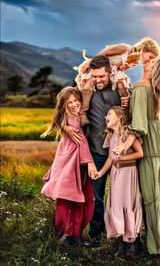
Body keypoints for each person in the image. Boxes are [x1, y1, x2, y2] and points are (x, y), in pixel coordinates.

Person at [113, 58, 160, 256]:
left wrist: (125, 143)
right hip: (159, 139)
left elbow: (140, 123)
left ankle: (156, 245)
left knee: (149, 193)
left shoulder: (142, 88)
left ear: (154, 70)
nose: (146, 63)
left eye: (151, 62)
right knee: (158, 192)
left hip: (147, 142)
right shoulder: (157, 92)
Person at [65, 55, 129, 246]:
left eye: (101, 76)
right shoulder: (83, 90)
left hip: (121, 153)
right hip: (96, 153)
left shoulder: (122, 89)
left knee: (123, 196)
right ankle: (96, 236)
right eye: (95, 76)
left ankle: (124, 236)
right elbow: (65, 109)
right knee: (95, 197)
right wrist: (65, 127)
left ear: (110, 72)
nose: (98, 80)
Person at [40, 86, 97, 246]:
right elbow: (82, 141)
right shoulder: (70, 120)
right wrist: (91, 162)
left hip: (75, 164)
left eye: (76, 100)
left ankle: (71, 234)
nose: (73, 104)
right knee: (72, 199)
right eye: (69, 102)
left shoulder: (76, 116)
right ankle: (68, 235)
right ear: (64, 105)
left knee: (76, 198)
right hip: (71, 165)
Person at [73, 38, 160, 126]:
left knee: (122, 84)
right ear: (145, 49)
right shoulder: (125, 48)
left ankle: (123, 109)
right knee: (88, 85)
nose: (149, 61)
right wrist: (91, 63)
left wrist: (122, 68)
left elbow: (120, 69)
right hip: (100, 68)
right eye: (150, 57)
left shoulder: (135, 61)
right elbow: (104, 53)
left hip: (113, 72)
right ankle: (83, 112)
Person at [92, 106, 143, 256]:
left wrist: (124, 157)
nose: (106, 117)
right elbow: (110, 158)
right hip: (115, 173)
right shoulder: (110, 135)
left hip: (128, 173)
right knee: (116, 204)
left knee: (128, 204)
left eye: (109, 114)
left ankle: (133, 242)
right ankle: (121, 240)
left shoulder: (129, 134)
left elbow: (140, 153)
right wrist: (101, 173)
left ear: (120, 117)